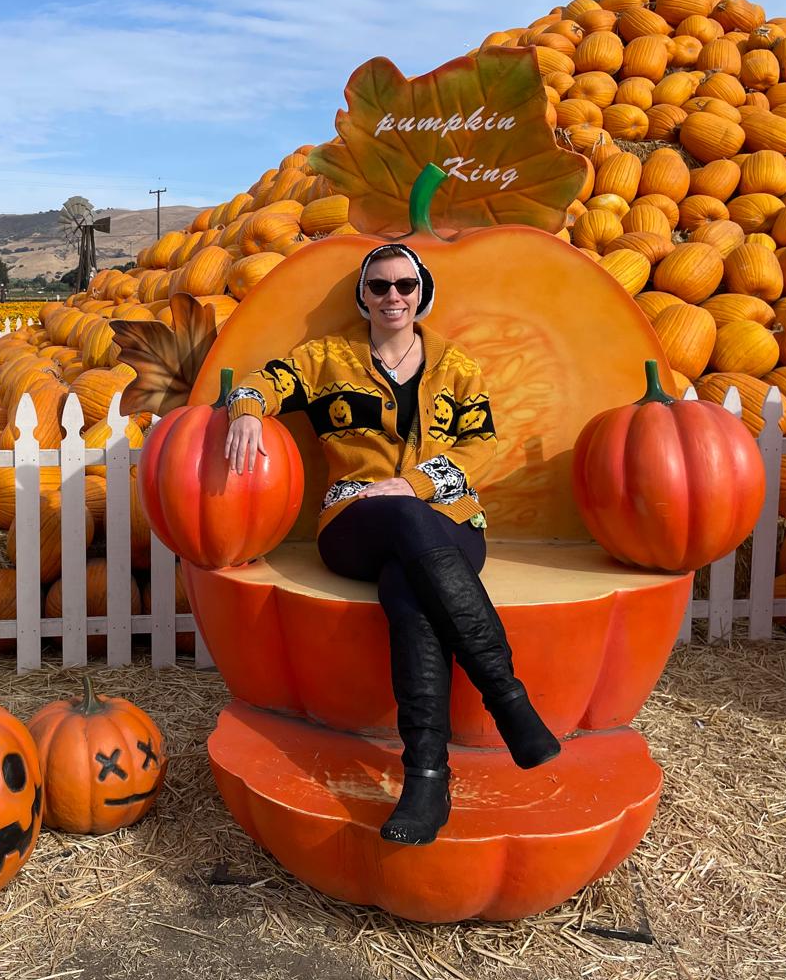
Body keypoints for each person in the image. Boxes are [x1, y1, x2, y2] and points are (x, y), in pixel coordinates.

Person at [222, 241, 559, 845]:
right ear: (364, 296)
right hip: (355, 522)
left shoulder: (457, 366)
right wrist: (246, 409)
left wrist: (417, 483)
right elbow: (264, 381)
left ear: (422, 292)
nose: (393, 296)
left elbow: (481, 444)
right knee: (403, 522)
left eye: (405, 285)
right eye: (379, 286)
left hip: (448, 517)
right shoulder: (326, 358)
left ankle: (426, 778)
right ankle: (507, 697)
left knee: (409, 588)